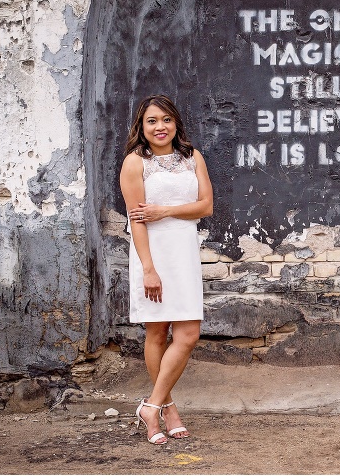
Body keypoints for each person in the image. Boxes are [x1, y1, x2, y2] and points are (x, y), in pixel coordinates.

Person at [119, 94, 213, 445]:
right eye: (152, 121)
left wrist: (165, 211)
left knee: (187, 334)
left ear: (176, 123)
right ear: (142, 128)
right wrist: (148, 270)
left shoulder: (193, 157)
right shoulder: (134, 163)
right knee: (157, 334)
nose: (160, 127)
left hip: (183, 251)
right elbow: (136, 219)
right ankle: (168, 409)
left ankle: (151, 404)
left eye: (166, 120)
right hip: (153, 254)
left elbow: (206, 206)